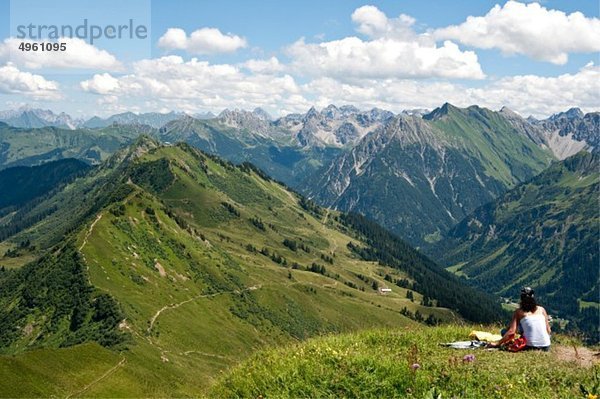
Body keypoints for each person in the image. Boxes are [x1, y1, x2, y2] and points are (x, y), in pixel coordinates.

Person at [489, 287, 551, 351]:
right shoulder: (541, 309)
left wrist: (497, 344)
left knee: (504, 331)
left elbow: (511, 332)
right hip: (546, 347)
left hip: (529, 347)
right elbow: (548, 330)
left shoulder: (519, 312)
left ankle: (509, 341)